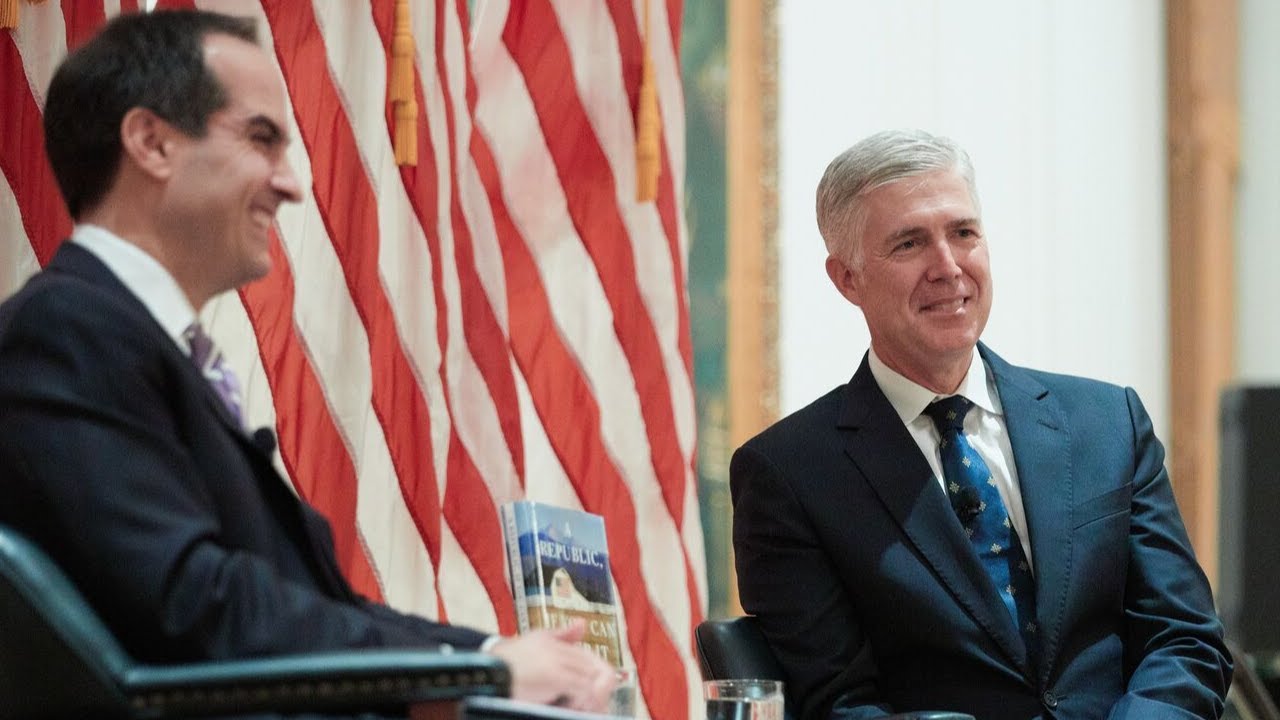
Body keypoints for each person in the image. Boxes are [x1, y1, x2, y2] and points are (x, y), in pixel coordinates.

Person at [0, 9, 615, 714]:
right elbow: (194, 605)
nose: (293, 184)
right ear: (151, 142)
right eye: (261, 140)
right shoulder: (65, 332)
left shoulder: (119, 339)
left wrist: (487, 656)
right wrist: (480, 673)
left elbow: (314, 607)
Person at [730, 129, 1233, 719]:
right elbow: (837, 705)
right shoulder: (790, 474)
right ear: (847, 279)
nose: (947, 267)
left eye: (963, 233)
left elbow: (1185, 640)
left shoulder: (1108, 423)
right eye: (909, 243)